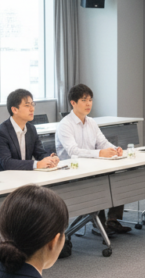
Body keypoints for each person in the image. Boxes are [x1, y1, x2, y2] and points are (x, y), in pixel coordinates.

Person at [55, 83, 131, 234]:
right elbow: (73, 151)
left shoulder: (91, 122)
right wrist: (100, 154)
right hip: (71, 170)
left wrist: (114, 149)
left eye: (90, 100)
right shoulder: (65, 125)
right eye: (84, 100)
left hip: (91, 166)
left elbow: (102, 142)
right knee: (98, 181)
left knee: (119, 175)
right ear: (73, 103)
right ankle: (99, 224)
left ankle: (113, 220)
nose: (88, 103)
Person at [0, 89, 60, 173]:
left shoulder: (31, 129)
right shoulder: (0, 133)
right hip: (2, 178)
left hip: (24, 175)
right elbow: (7, 163)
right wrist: (37, 164)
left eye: (32, 104)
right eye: (27, 105)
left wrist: (50, 159)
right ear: (14, 110)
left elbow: (40, 153)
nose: (32, 109)